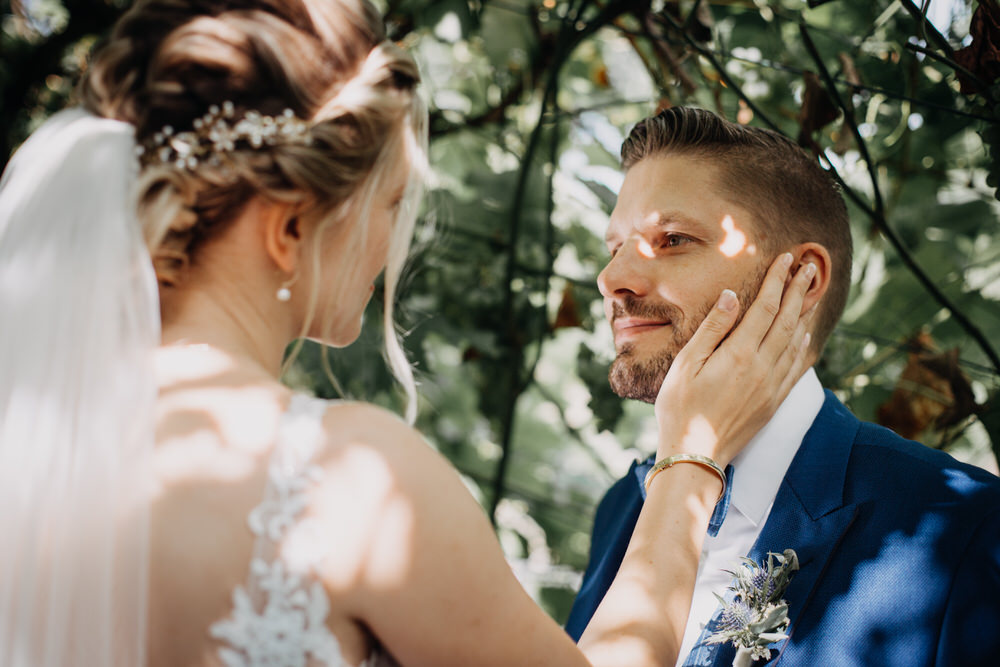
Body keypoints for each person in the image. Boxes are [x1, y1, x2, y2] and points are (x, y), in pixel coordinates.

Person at [0, 3, 819, 667]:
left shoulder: (31, 443)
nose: (394, 245)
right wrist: (694, 456)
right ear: (288, 229)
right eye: (390, 206)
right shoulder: (344, 479)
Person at [564, 106, 1000, 666]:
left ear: (802, 277)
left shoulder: (964, 530)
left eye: (671, 239)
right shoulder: (623, 507)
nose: (611, 279)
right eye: (615, 247)